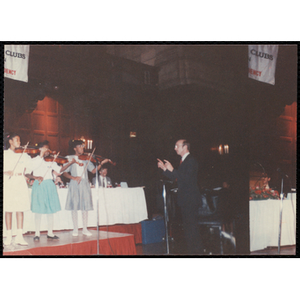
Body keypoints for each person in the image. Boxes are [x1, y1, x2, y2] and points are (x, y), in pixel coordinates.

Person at [157, 139, 203, 254]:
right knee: (188, 229)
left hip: (190, 200)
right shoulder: (184, 161)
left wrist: (172, 169)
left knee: (192, 229)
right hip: (186, 200)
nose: (175, 148)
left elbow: (186, 178)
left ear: (185, 147)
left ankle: (197, 253)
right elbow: (177, 178)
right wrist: (164, 169)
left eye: (177, 146)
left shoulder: (191, 160)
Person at [25, 140, 74, 241]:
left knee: (50, 210)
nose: (48, 151)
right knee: (38, 210)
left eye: (48, 148)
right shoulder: (34, 160)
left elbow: (60, 171)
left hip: (49, 185)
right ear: (41, 149)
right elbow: (27, 174)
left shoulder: (51, 160)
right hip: (39, 185)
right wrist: (35, 177)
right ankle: (37, 233)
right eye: (46, 148)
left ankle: (50, 233)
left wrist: (70, 163)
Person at [62, 140, 109, 236]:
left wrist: (101, 164)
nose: (82, 148)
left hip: (84, 183)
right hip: (74, 183)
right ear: (75, 148)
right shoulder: (69, 158)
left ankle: (84, 228)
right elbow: (65, 172)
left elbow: (93, 171)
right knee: (74, 206)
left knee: (85, 207)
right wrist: (73, 177)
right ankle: (75, 228)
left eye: (83, 146)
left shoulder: (86, 159)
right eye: (80, 146)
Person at [3, 133, 32, 246]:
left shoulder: (23, 154)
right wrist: (5, 172)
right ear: (10, 141)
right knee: (8, 209)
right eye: (17, 140)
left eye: (20, 140)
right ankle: (9, 236)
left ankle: (19, 236)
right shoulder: (5, 154)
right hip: (9, 182)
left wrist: (41, 154)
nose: (19, 142)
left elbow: (31, 167)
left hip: (20, 181)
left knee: (20, 208)